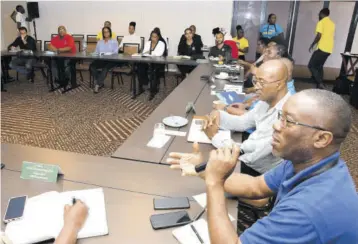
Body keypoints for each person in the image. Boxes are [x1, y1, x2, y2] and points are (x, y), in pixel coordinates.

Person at [169, 89, 358, 243]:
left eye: (288, 121)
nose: (276, 126)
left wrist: (214, 183)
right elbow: (254, 186)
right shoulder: (307, 163)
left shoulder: (308, 210)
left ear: (321, 139)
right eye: (280, 116)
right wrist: (202, 169)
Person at [308, 8, 335, 89]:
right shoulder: (332, 23)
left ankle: (320, 83)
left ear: (321, 14)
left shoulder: (321, 22)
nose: (318, 16)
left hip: (322, 48)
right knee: (319, 66)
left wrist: (312, 44)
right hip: (329, 49)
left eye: (319, 14)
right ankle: (320, 84)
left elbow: (319, 35)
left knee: (311, 65)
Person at [137, 29, 166, 100]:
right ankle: (143, 85)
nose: (153, 38)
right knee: (139, 66)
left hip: (157, 63)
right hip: (147, 62)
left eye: (155, 37)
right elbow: (144, 52)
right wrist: (150, 53)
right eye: (152, 36)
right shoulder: (148, 43)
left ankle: (153, 90)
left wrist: (149, 52)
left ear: (158, 37)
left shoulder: (161, 43)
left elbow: (159, 54)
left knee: (154, 70)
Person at [90, 27, 119, 93]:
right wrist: (92, 54)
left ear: (110, 32)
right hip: (101, 59)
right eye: (104, 32)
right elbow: (96, 52)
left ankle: (97, 85)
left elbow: (115, 53)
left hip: (110, 60)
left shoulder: (114, 41)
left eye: (107, 31)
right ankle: (100, 81)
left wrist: (108, 54)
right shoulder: (100, 42)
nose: (106, 33)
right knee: (92, 66)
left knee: (105, 69)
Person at [48, 26, 77, 90]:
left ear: (65, 31)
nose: (61, 31)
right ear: (58, 32)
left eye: (62, 30)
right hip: (59, 57)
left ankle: (66, 79)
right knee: (52, 63)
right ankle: (59, 79)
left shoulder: (69, 37)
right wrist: (55, 49)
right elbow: (50, 46)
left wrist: (58, 50)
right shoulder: (56, 38)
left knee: (66, 66)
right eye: (60, 30)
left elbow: (69, 47)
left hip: (70, 56)